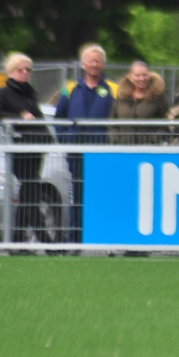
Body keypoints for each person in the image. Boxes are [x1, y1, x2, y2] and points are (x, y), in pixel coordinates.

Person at [55, 44, 118, 243]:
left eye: (98, 61)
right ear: (83, 64)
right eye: (90, 60)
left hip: (102, 153)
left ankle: (104, 238)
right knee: (78, 197)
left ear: (103, 64)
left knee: (103, 195)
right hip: (76, 153)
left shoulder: (113, 88)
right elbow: (59, 119)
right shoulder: (71, 88)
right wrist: (66, 139)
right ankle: (75, 239)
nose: (94, 64)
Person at [0, 53, 55, 242]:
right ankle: (46, 241)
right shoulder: (3, 93)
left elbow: (39, 118)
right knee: (30, 194)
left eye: (28, 70)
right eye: (21, 69)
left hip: (36, 148)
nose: (25, 73)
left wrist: (47, 137)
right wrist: (19, 118)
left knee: (28, 194)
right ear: (11, 72)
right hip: (19, 149)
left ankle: (17, 240)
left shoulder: (30, 93)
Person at [110, 61, 170, 144]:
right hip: (123, 150)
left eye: (145, 75)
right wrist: (116, 140)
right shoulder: (121, 97)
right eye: (137, 75)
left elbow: (165, 123)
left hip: (148, 152)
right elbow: (113, 122)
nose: (142, 79)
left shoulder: (159, 98)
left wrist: (152, 141)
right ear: (130, 77)